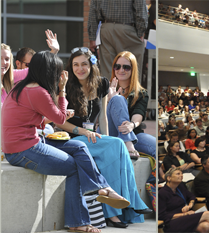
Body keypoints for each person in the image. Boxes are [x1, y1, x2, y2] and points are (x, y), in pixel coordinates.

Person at [2, 51, 130, 232]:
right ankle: (79, 220)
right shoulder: (38, 91)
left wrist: (58, 111)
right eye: (57, 71)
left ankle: (102, 188)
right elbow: (60, 118)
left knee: (79, 146)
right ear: (49, 71)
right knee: (73, 166)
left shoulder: (21, 87)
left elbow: (31, 119)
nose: (59, 76)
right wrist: (62, 91)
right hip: (22, 150)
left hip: (24, 144)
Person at [57, 47, 151, 227]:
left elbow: (102, 118)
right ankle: (131, 203)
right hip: (72, 137)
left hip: (94, 137)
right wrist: (83, 131)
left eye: (84, 64)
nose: (80, 69)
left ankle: (114, 212)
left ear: (92, 65)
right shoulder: (66, 85)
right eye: (76, 65)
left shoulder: (101, 84)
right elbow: (58, 122)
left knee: (116, 147)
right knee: (116, 146)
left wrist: (107, 141)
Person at [103, 51, 155, 158]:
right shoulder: (105, 88)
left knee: (155, 147)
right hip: (109, 132)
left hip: (134, 133)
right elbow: (97, 118)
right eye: (117, 66)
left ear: (133, 70)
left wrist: (132, 125)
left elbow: (139, 113)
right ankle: (128, 143)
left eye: (126, 67)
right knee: (117, 98)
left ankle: (151, 175)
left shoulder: (141, 93)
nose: (121, 70)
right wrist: (108, 100)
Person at [88, 0, 148, 80]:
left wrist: (92, 38)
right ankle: (129, 91)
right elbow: (140, 9)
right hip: (127, 30)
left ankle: (110, 91)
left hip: (106, 28)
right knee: (130, 70)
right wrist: (141, 31)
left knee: (108, 71)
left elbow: (93, 11)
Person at [158, 167, 209, 233]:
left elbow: (192, 196)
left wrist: (189, 206)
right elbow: (161, 215)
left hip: (185, 218)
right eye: (178, 174)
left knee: (206, 226)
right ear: (169, 178)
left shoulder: (180, 187)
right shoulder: (162, 193)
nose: (181, 175)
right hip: (172, 223)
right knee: (207, 214)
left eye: (181, 174)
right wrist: (184, 214)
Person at [2, 30, 59, 103]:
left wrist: (54, 52)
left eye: (7, 59)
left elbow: (38, 68)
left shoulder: (12, 75)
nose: (3, 62)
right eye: (0, 58)